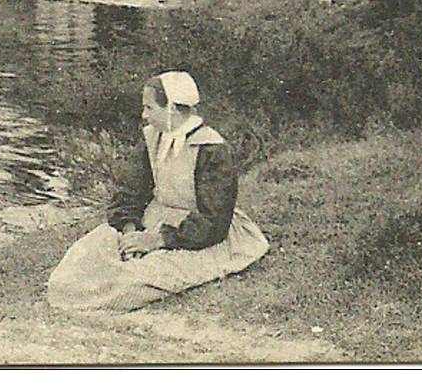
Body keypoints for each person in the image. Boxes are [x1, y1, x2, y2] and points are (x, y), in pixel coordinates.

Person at [46, 71, 268, 311]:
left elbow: (214, 220)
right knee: (82, 258)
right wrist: (130, 233)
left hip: (196, 233)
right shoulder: (153, 138)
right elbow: (131, 191)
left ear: (172, 108)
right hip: (153, 219)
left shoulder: (211, 149)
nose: (144, 115)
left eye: (149, 108)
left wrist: (157, 240)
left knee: (134, 281)